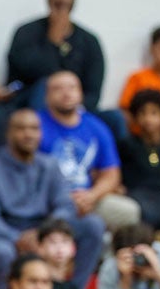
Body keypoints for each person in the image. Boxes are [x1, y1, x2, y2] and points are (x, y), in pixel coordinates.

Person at [0, 108, 104, 289]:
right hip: (1, 233)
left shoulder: (50, 165)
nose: (29, 134)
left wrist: (44, 233)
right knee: (1, 252)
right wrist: (17, 238)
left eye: (34, 129)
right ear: (8, 133)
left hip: (42, 228)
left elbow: (65, 206)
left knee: (93, 226)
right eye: (21, 128)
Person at [39, 71, 142, 233]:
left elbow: (111, 174)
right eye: (58, 89)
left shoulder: (96, 127)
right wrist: (63, 199)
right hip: (47, 200)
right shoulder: (34, 126)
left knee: (128, 211)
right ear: (46, 96)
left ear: (81, 93)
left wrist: (92, 195)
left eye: (72, 88)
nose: (66, 93)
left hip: (87, 198)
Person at [6, 0, 106, 112]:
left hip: (76, 109)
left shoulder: (89, 41)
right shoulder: (26, 32)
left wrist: (75, 109)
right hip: (28, 102)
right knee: (44, 87)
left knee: (114, 117)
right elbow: (27, 72)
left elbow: (93, 91)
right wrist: (53, 42)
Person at [119, 90, 160, 230]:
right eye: (142, 113)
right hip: (136, 194)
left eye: (154, 113)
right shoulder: (127, 144)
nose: (148, 119)